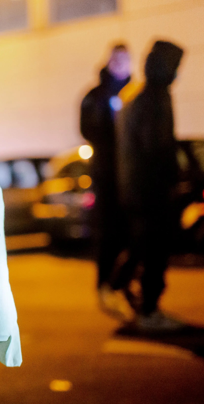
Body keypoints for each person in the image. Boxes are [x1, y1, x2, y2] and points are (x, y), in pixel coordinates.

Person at [113, 40, 185, 332]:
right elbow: (155, 147)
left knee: (145, 246)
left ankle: (124, 288)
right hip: (149, 189)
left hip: (139, 188)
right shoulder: (153, 98)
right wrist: (172, 176)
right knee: (154, 251)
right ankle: (148, 310)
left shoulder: (141, 96)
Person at [79, 44, 133, 320]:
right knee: (109, 234)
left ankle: (123, 284)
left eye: (127, 59)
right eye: (118, 59)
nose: (123, 64)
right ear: (109, 61)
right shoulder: (96, 95)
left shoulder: (136, 92)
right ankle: (105, 284)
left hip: (132, 175)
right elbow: (87, 129)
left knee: (134, 235)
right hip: (108, 176)